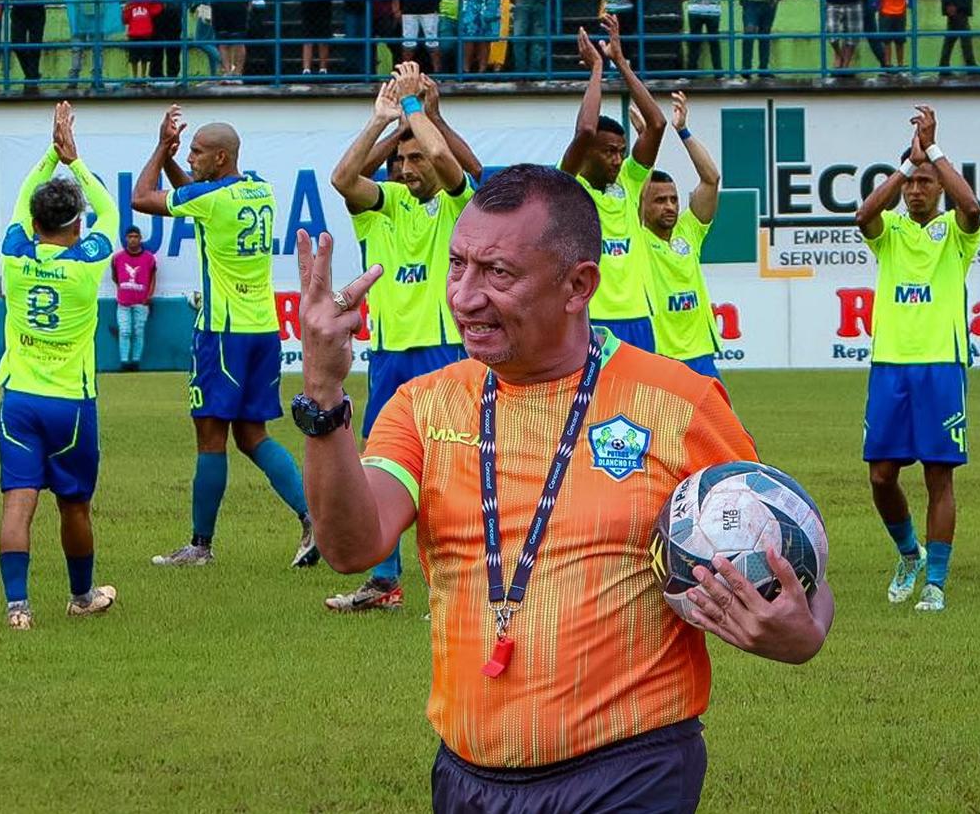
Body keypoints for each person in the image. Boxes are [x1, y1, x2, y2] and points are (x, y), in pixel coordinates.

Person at [294, 163, 833, 809]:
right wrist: (323, 392)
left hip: (632, 768)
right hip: (467, 773)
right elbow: (353, 547)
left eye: (498, 273)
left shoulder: (680, 404)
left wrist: (804, 631)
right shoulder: (422, 406)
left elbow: (786, 552)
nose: (465, 296)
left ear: (578, 285)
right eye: (458, 265)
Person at [131, 105, 317, 569]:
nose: (190, 157)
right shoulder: (260, 190)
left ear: (219, 159)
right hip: (262, 330)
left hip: (222, 332)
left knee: (210, 437)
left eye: (196, 152)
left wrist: (161, 147)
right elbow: (196, 192)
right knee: (253, 435)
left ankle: (199, 546)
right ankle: (314, 518)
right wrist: (179, 159)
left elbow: (141, 197)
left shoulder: (210, 200)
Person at [323, 67, 480, 612]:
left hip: (445, 353)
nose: (408, 168)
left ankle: (473, 572)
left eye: (415, 159)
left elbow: (447, 163)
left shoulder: (460, 206)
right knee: (383, 463)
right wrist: (381, 120)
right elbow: (344, 178)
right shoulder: (384, 206)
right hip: (389, 358)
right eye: (401, 161)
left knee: (460, 465)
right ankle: (384, 580)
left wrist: (417, 109)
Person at [0, 102, 120, 631]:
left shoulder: (14, 253)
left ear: (35, 223)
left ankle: (18, 607)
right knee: (74, 507)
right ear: (76, 225)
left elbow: (24, 201)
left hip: (18, 400)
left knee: (17, 505)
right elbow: (110, 212)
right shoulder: (87, 263)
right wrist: (76, 159)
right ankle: (81, 595)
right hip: (70, 404)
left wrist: (51, 154)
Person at [855, 106, 980, 613]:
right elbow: (863, 216)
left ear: (940, 187)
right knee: (881, 476)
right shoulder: (889, 236)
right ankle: (909, 554)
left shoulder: (954, 233)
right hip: (890, 366)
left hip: (941, 366)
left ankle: (935, 581)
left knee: (938, 475)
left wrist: (933, 151)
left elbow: (973, 208)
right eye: (911, 184)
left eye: (925, 183)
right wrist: (908, 163)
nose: (915, 191)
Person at [560, 17, 664, 352]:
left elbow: (657, 124)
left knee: (641, 405)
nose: (618, 160)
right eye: (609, 152)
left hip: (638, 318)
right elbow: (586, 131)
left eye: (621, 152)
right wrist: (596, 69)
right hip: (593, 319)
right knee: (591, 405)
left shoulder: (630, 184)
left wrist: (620, 62)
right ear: (588, 154)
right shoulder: (571, 187)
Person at [636, 92, 723, 377]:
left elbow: (711, 178)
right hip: (663, 356)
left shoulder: (689, 231)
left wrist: (683, 131)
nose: (670, 206)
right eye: (660, 200)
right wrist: (645, 139)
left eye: (673, 199)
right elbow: (636, 191)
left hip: (701, 354)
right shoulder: (639, 237)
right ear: (645, 205)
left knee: (721, 424)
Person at [112, 224, 157, 371]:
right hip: (123, 302)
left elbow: (153, 278)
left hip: (142, 302)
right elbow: (115, 277)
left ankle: (135, 362)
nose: (133, 240)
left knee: (139, 331)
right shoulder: (117, 258)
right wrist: (123, 289)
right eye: (130, 237)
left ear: (140, 239)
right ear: (126, 239)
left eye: (135, 237)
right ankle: (124, 362)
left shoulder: (149, 258)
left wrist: (149, 296)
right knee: (125, 331)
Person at [123, 0, 162, 81]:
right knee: (133, 58)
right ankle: (135, 77)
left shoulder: (147, 3)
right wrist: (126, 8)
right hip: (133, 35)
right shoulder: (130, 4)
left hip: (146, 35)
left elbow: (158, 9)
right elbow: (125, 19)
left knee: (145, 58)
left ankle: (143, 77)